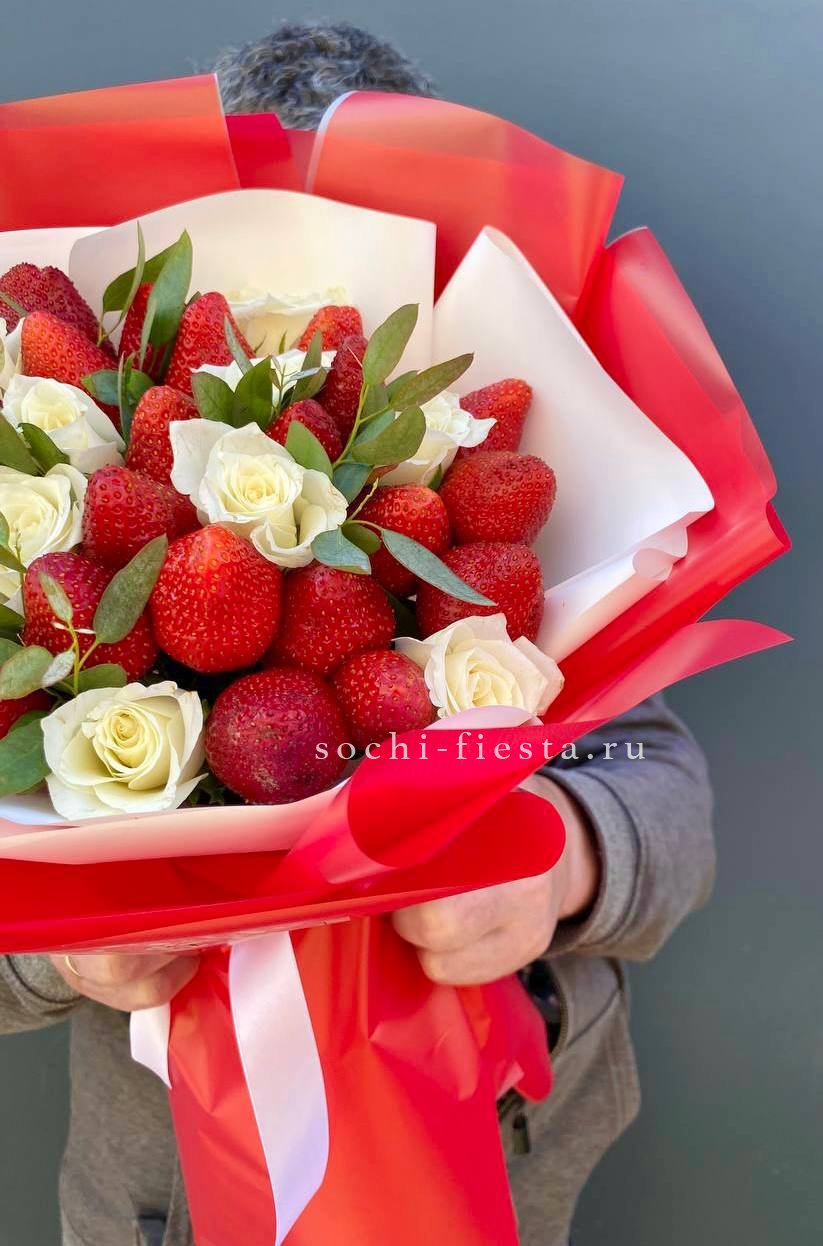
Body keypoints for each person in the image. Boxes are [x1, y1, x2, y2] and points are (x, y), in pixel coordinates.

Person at [0, 24, 715, 1246]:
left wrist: (557, 864)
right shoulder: (76, 546)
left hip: (498, 1145)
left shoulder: (511, 509)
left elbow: (663, 783)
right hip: (164, 1189)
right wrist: (61, 953)